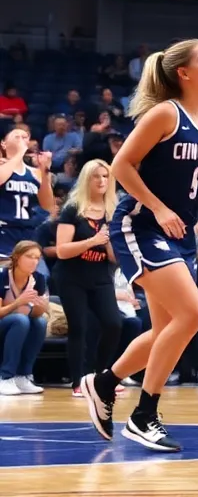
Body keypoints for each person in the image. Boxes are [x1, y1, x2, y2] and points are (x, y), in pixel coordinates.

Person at [81, 39, 198, 453]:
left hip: (179, 235)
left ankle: (103, 383)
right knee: (193, 313)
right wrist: (158, 206)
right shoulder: (164, 114)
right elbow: (121, 166)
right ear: (183, 73)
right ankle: (144, 414)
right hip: (142, 225)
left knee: (163, 331)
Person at [54, 160, 122, 396]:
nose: (102, 181)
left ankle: (100, 375)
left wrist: (111, 242)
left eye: (106, 176)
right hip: (72, 276)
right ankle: (77, 382)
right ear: (86, 179)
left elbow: (115, 258)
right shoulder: (72, 209)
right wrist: (93, 241)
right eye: (97, 176)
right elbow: (62, 250)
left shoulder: (114, 211)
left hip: (100, 275)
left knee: (114, 324)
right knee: (79, 327)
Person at [0, 240, 49, 395]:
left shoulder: (39, 279)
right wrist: (19, 302)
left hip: (19, 325)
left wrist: (41, 307)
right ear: (17, 257)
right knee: (20, 320)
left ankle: (23, 375)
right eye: (29, 256)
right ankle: (5, 377)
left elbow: (35, 314)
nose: (34, 261)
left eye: (37, 258)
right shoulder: (2, 276)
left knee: (40, 322)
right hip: (5, 324)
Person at [0, 127, 54, 260]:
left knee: (33, 277)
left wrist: (44, 170)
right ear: (3, 144)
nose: (21, 140)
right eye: (17, 137)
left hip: (27, 233)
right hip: (4, 230)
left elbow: (48, 205)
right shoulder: (2, 166)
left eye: (24, 137)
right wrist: (20, 153)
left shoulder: (34, 172)